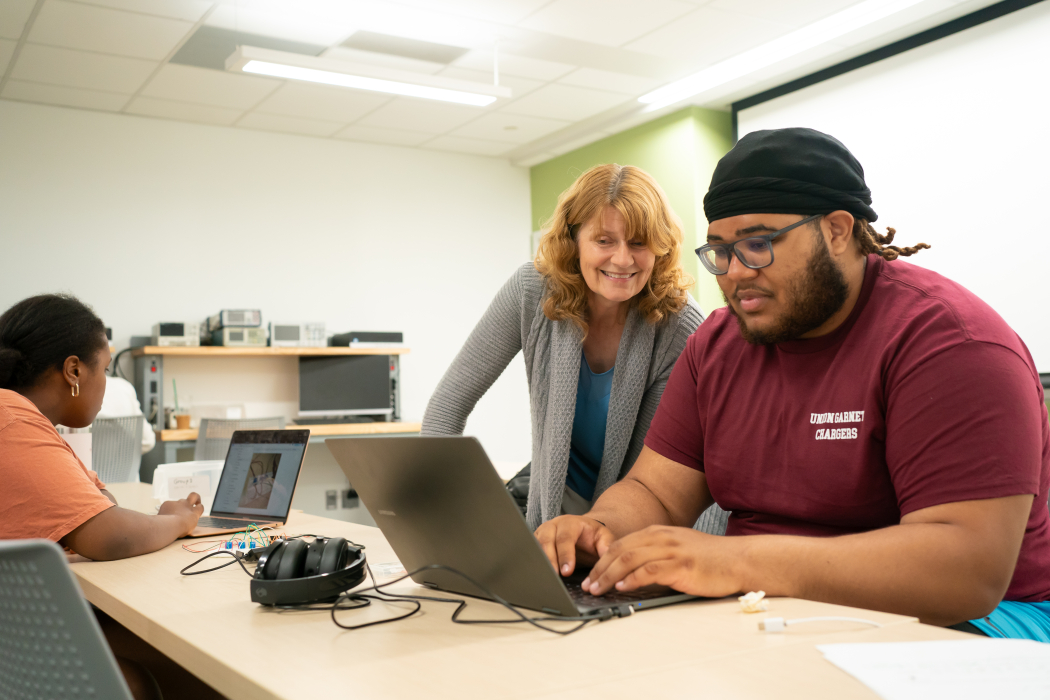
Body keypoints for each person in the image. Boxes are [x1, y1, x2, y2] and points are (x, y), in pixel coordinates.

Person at [536, 128, 1050, 640]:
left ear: (837, 230)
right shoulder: (716, 345)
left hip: (988, 618)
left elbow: (965, 575)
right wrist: (600, 531)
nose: (734, 272)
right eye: (719, 251)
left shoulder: (951, 344)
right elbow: (656, 492)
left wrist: (738, 561)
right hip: (773, 606)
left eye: (758, 244)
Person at [422, 164, 706, 528]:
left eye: (639, 242)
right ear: (574, 241)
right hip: (552, 510)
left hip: (637, 521)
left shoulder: (680, 326)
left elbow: (676, 470)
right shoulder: (532, 290)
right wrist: (434, 512)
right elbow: (448, 406)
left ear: (660, 246)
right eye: (604, 241)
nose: (623, 259)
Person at [0, 293, 203, 559]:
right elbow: (111, 536)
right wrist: (179, 521)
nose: (106, 380)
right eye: (105, 369)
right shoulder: (12, 419)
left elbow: (100, 503)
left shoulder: (24, 418)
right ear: (74, 371)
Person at [97, 374, 157, 455]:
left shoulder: (80, 391)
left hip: (83, 464)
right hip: (125, 466)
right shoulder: (123, 387)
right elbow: (148, 441)